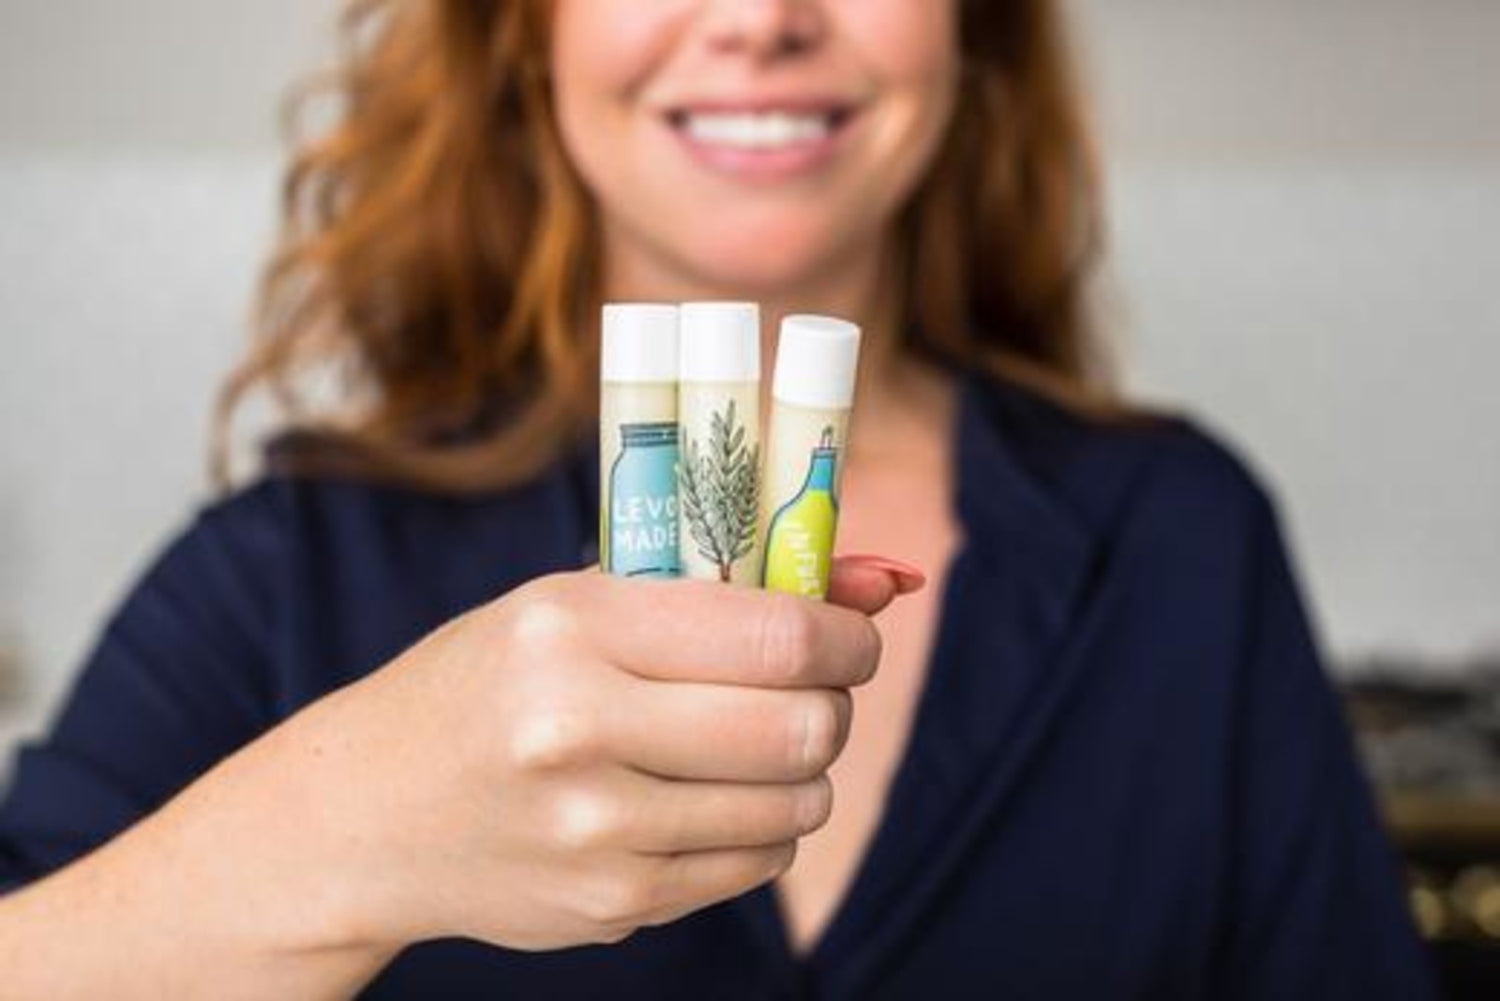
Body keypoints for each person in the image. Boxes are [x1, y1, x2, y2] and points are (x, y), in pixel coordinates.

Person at [0, 1, 1436, 998]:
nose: (762, 13)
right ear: (530, 32)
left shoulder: (1181, 537)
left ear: (971, 30)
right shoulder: (295, 564)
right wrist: (347, 836)